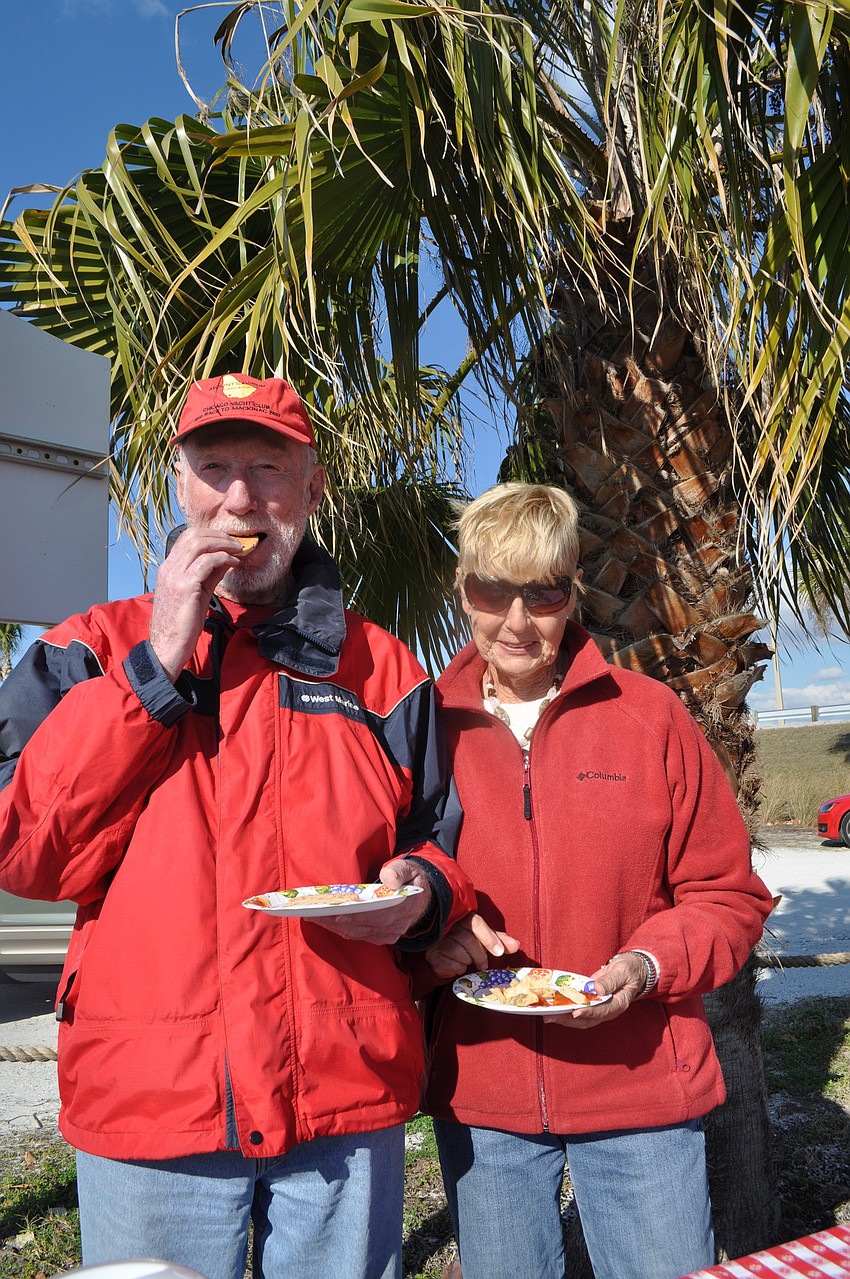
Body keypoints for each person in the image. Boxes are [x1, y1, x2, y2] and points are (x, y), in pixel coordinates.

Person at [0, 372, 476, 1279]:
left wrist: (417, 897)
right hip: (151, 1099)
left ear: (313, 488)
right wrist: (155, 667)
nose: (241, 498)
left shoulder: (381, 666)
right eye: (214, 467)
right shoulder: (87, 649)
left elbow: (444, 838)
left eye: (268, 467)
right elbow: (25, 850)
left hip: (344, 1089)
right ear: (179, 485)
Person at [416, 482, 774, 1279]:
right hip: (486, 1096)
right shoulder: (422, 731)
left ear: (572, 587)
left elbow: (728, 894)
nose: (516, 620)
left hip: (640, 1085)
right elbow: (390, 888)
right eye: (492, 590)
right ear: (463, 587)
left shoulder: (650, 718)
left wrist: (647, 965)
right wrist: (428, 944)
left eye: (542, 591)